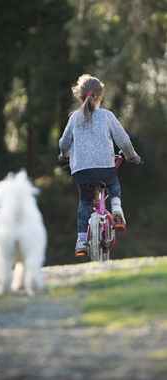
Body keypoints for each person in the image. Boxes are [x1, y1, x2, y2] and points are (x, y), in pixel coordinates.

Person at [58, 74, 141, 260]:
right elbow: (124, 140)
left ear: (79, 97)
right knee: (113, 183)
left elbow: (64, 143)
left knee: (85, 202)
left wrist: (64, 156)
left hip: (82, 171)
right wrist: (131, 156)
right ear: (100, 96)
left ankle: (81, 241)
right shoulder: (107, 116)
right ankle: (117, 209)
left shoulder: (74, 118)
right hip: (105, 168)